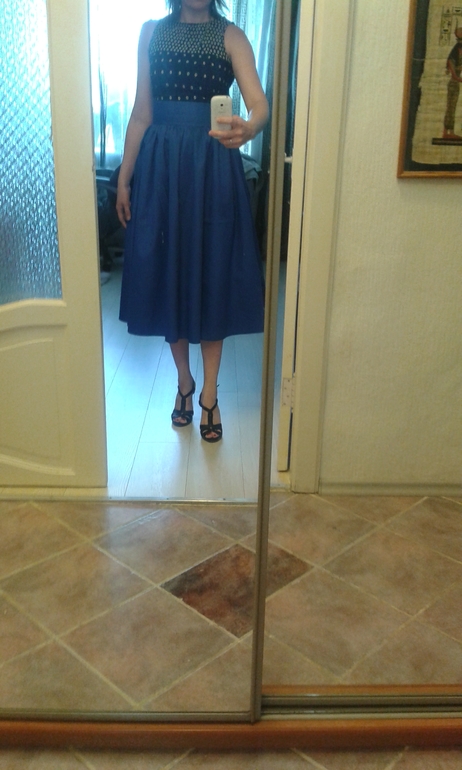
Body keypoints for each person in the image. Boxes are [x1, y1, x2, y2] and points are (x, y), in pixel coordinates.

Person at [116, 0, 268, 443]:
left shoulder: (231, 36)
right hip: (161, 171)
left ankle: (210, 394)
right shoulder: (151, 32)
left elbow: (260, 104)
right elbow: (142, 113)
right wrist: (124, 178)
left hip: (211, 170)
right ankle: (184, 382)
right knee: (171, 276)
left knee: (212, 276)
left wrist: (249, 128)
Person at [443, 27, 462, 140]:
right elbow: (450, 63)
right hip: (454, 83)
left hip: (456, 82)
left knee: (452, 107)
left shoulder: (458, 49)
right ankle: (447, 132)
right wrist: (457, 77)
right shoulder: (456, 49)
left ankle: (449, 132)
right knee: (451, 107)